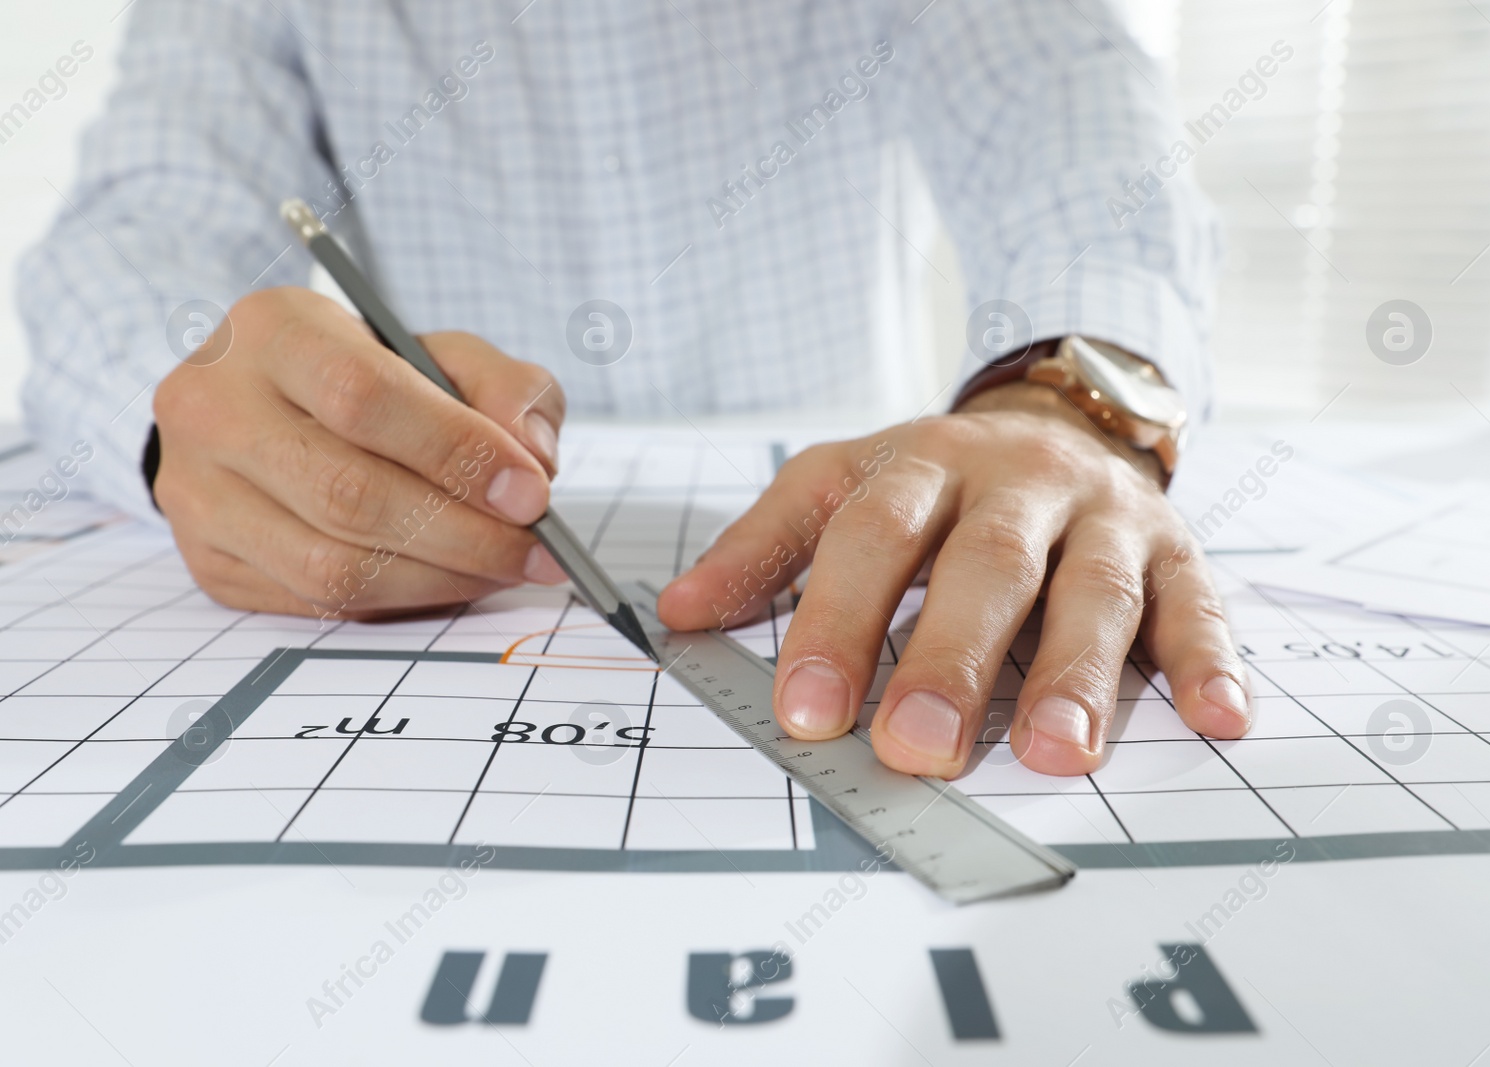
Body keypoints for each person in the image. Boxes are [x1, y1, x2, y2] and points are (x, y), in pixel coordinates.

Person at [18, 0, 1250, 781]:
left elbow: (1071, 106)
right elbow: (141, 223)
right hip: (445, 554)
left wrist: (1062, 400)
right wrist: (183, 406)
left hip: (875, 508)